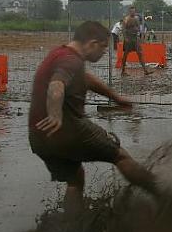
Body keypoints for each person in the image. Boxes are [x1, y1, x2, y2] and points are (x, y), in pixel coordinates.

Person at [28, 21, 160, 217]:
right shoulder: (70, 61)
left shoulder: (60, 54)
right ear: (91, 43)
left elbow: (86, 79)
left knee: (75, 179)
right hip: (66, 129)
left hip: (39, 138)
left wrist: (115, 97)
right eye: (104, 47)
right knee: (119, 155)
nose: (104, 52)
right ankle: (166, 194)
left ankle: (72, 229)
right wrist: (55, 114)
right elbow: (56, 86)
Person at [121, 6, 151, 76]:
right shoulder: (126, 19)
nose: (133, 12)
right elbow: (123, 29)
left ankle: (145, 70)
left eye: (134, 11)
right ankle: (123, 71)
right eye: (131, 11)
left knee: (140, 53)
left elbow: (138, 27)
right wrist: (125, 38)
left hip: (135, 38)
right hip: (129, 38)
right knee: (125, 54)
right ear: (129, 12)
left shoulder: (136, 18)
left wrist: (139, 35)